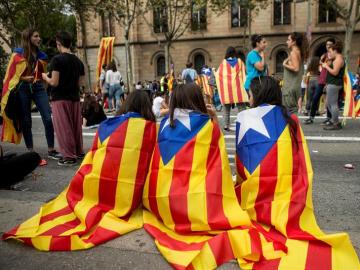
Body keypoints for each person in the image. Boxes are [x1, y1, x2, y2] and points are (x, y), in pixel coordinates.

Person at [4, 90, 158, 251]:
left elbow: (93, 156)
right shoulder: (152, 128)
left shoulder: (107, 125)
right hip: (130, 192)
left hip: (101, 186)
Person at [235, 76, 360, 269]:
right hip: (291, 194)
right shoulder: (290, 119)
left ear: (257, 96)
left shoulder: (246, 119)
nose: (248, 100)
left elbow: (243, 166)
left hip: (258, 197)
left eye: (250, 95)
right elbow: (301, 161)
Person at [1, 28, 59, 159]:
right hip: (23, 88)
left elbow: (43, 74)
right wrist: (22, 78)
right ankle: (31, 151)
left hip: (38, 87)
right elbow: (10, 75)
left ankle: (51, 150)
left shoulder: (42, 55)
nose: (39, 39)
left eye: (39, 36)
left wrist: (44, 89)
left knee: (48, 118)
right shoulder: (17, 54)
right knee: (26, 121)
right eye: (36, 36)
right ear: (29, 38)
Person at [42, 31, 85, 166]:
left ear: (58, 43)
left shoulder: (57, 60)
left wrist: (45, 77)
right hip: (74, 97)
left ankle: (68, 156)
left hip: (60, 98)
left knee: (64, 127)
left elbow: (54, 82)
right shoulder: (78, 61)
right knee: (75, 127)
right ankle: (78, 151)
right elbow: (80, 83)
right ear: (70, 43)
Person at [282, 32, 309, 114]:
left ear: (294, 42)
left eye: (289, 40)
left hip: (290, 88)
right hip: (293, 86)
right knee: (291, 114)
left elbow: (296, 68)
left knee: (289, 114)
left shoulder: (294, 52)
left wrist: (284, 64)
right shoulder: (298, 52)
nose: (287, 42)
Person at [321, 42, 345, 130]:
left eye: (331, 51)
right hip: (332, 84)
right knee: (328, 103)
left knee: (333, 104)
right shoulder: (337, 58)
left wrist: (326, 66)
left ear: (335, 51)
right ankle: (334, 120)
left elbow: (335, 72)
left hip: (335, 84)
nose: (329, 53)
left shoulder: (338, 59)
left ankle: (336, 123)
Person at [303, 57, 321, 124]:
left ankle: (307, 110)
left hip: (311, 80)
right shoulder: (319, 66)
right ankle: (316, 111)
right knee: (317, 97)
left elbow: (306, 73)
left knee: (309, 97)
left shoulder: (310, 66)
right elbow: (321, 72)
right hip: (318, 80)